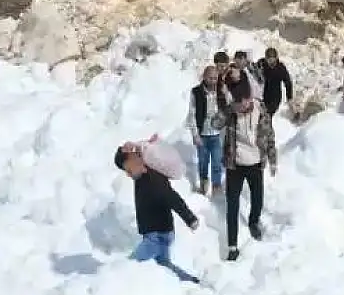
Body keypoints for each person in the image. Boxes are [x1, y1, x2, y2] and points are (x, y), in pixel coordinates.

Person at [114, 142, 201, 283]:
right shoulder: (142, 177)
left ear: (136, 160)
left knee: (131, 266)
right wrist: (124, 150)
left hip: (158, 234)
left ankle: (117, 284)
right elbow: (130, 152)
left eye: (129, 169)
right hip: (156, 232)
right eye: (126, 172)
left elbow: (172, 197)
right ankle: (188, 281)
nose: (128, 174)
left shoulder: (154, 179)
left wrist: (189, 218)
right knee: (163, 264)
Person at [221, 89, 277, 261]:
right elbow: (215, 123)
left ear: (249, 99)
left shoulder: (261, 112)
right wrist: (228, 110)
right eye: (237, 102)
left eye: (243, 101)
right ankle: (232, 246)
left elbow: (270, 136)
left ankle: (253, 222)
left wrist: (273, 159)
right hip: (234, 165)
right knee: (232, 204)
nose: (241, 105)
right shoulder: (230, 113)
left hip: (255, 163)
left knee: (257, 198)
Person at [186, 65, 228, 196]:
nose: (213, 81)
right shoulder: (196, 92)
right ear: (204, 77)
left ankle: (216, 186)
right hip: (202, 134)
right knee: (203, 162)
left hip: (217, 134)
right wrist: (195, 134)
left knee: (217, 162)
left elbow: (228, 109)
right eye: (210, 78)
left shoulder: (221, 91)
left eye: (215, 78)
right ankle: (204, 184)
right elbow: (191, 114)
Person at [257, 47, 293, 117]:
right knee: (260, 115)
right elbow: (253, 71)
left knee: (269, 114)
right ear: (266, 58)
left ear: (276, 58)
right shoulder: (262, 64)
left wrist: (289, 98)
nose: (270, 61)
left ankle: (268, 124)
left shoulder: (281, 68)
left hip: (275, 96)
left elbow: (288, 83)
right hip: (262, 93)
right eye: (269, 59)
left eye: (272, 58)